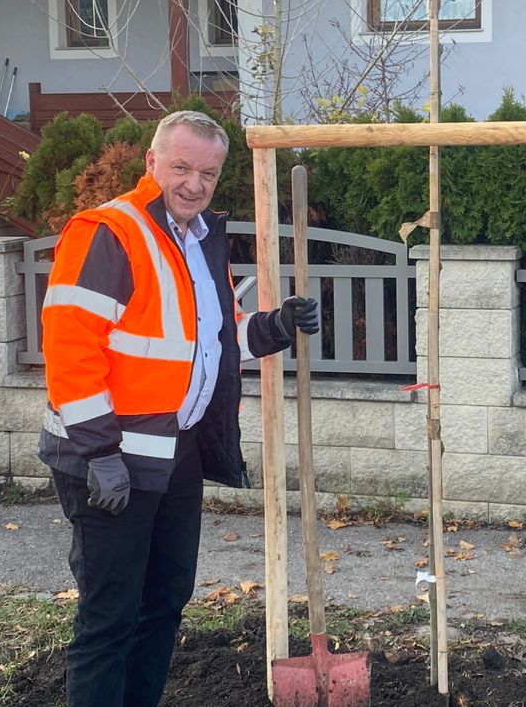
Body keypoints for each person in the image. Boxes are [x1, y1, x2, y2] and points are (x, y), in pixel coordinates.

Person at [39, 110, 319, 707]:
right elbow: (70, 347)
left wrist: (273, 328)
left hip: (175, 457)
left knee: (164, 603)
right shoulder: (108, 232)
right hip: (110, 463)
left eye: (209, 174)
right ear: (152, 163)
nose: (195, 184)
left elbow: (207, 341)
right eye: (183, 167)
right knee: (109, 617)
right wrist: (98, 452)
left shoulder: (197, 240)